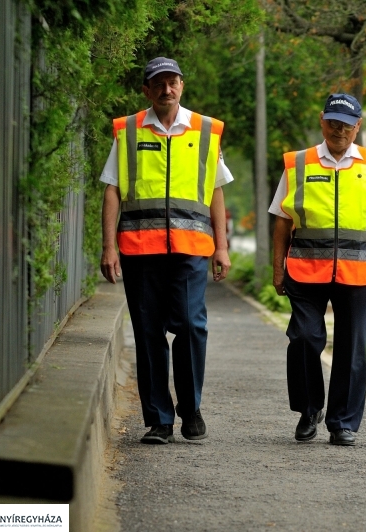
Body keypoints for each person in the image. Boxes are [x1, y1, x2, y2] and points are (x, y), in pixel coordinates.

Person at [99, 57, 232, 445]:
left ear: (182, 86)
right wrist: (109, 247)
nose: (166, 90)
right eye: (158, 83)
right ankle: (158, 419)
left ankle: (190, 407)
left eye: (172, 82)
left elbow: (216, 191)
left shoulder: (206, 131)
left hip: (191, 250)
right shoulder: (127, 131)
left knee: (191, 326)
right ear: (147, 90)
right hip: (140, 251)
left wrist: (221, 246)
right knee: (148, 333)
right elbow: (112, 189)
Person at [269, 93, 366, 446]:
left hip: (357, 272)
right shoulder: (298, 164)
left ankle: (343, 422)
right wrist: (277, 268)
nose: (339, 130)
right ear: (321, 121)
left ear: (358, 127)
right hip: (304, 269)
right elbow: (283, 221)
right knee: (303, 338)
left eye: (346, 124)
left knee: (352, 346)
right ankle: (308, 409)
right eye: (333, 122)